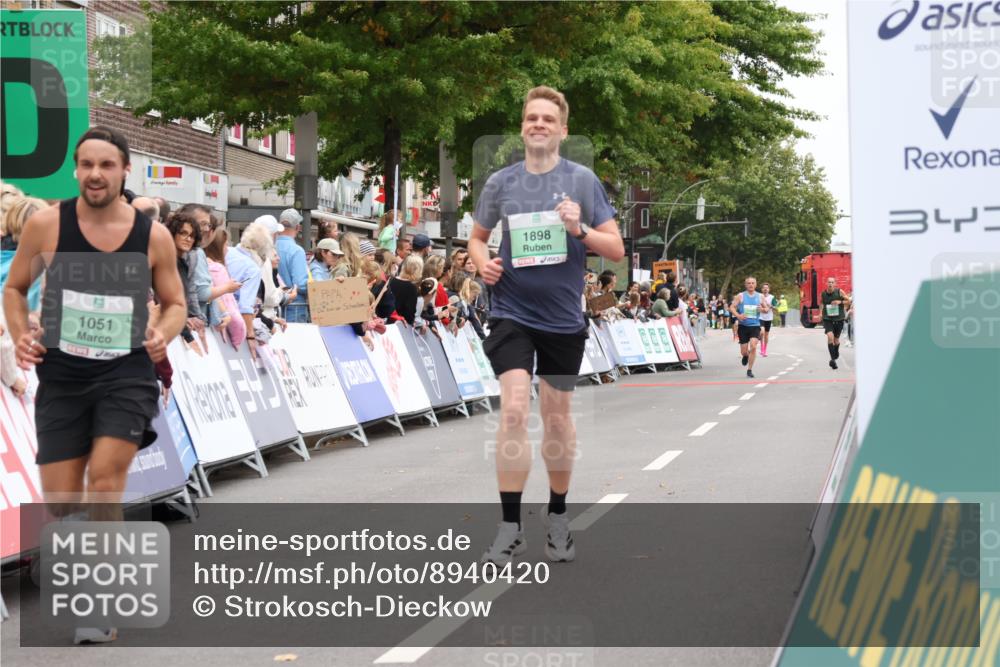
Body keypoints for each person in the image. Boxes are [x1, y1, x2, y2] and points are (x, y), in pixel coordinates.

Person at [2, 127, 186, 644]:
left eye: (107, 164)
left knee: (105, 478)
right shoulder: (46, 226)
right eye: (86, 165)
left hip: (125, 371)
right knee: (61, 499)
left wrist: (161, 337)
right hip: (62, 371)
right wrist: (21, 337)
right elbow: (15, 290)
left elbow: (175, 304)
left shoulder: (152, 236)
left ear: (126, 170)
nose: (95, 174)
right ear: (76, 170)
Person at [469, 85, 623, 565]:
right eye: (531, 117)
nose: (538, 124)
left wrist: (580, 229)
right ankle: (510, 526)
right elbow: (476, 240)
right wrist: (483, 264)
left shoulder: (582, 181)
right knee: (514, 410)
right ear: (523, 127)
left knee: (556, 418)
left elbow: (615, 249)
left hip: (562, 320)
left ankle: (557, 514)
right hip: (511, 313)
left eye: (547, 119)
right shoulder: (500, 183)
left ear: (562, 130)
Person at [226, 220, 272, 360]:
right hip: (233, 319)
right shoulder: (252, 268)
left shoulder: (228, 252)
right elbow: (245, 306)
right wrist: (250, 336)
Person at [203, 227, 247, 347]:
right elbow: (229, 306)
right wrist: (239, 337)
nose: (227, 248)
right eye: (225, 244)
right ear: (218, 245)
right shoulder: (217, 269)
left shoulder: (201, 264)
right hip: (219, 332)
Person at [729, 276, 768, 379]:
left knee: (754, 346)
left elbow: (767, 308)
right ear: (745, 285)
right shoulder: (740, 296)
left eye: (752, 283)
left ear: (755, 284)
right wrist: (738, 316)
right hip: (743, 326)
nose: (751, 285)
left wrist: (763, 309)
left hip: (755, 326)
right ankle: (746, 356)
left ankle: (749, 370)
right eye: (748, 283)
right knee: (744, 351)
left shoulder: (760, 296)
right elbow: (732, 307)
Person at [276, 208, 310, 323]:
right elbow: (300, 284)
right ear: (298, 228)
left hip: (274, 310)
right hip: (294, 310)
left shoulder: (270, 246)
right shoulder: (296, 251)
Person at [820, 277, 850, 369]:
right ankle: (832, 360)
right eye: (829, 282)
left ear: (835, 284)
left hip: (839, 319)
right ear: (826, 283)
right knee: (830, 337)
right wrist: (820, 312)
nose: (830, 284)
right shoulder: (824, 293)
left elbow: (848, 301)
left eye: (832, 282)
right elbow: (821, 303)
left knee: (836, 340)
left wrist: (839, 301)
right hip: (827, 319)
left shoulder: (839, 292)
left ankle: (836, 352)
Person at [389, 254, 422, 326]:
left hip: (388, 320)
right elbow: (409, 312)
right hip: (401, 324)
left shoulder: (392, 280)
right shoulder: (411, 288)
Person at [757, 282, 777, 357]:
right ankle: (761, 347)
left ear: (769, 289)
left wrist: (771, 306)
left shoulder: (772, 297)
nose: (765, 289)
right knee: (761, 332)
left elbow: (776, 308)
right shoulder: (759, 296)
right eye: (764, 288)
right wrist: (761, 308)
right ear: (762, 289)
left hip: (768, 318)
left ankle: (764, 350)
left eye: (767, 288)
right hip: (760, 317)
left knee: (766, 335)